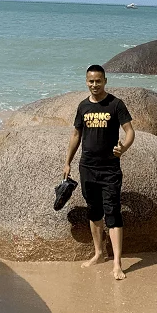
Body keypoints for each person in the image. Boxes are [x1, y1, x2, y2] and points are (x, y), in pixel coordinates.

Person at [63, 64, 135, 280]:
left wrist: (123, 147)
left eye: (98, 81)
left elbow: (130, 131)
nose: (94, 85)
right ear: (86, 81)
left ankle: (117, 264)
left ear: (105, 81)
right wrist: (67, 162)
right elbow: (76, 135)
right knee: (94, 211)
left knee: (113, 213)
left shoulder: (115, 104)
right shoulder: (83, 107)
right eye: (91, 81)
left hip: (110, 168)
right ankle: (98, 253)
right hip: (87, 167)